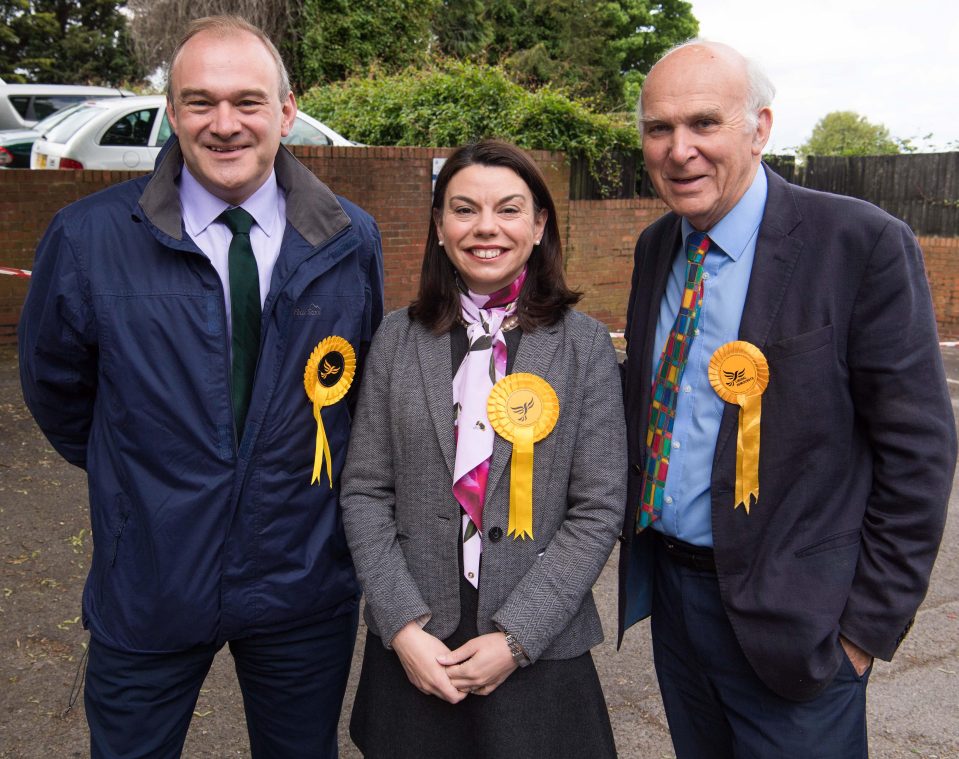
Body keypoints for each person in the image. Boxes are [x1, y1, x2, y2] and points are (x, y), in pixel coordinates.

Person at [18, 15, 383, 758]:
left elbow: (358, 389)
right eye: (199, 101)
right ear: (171, 112)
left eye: (247, 101)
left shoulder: (350, 237)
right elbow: (58, 391)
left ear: (285, 111)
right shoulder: (87, 238)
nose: (225, 125)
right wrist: (145, 481)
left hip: (301, 582)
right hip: (149, 578)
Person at [617, 39, 957, 758]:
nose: (679, 150)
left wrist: (861, 632)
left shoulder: (858, 244)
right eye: (658, 128)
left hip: (800, 622)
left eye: (704, 123)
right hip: (677, 603)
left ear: (759, 127)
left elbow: (918, 452)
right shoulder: (657, 248)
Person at [340, 140, 625, 758]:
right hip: (419, 645)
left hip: (539, 647)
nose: (486, 228)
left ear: (539, 223)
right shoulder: (395, 339)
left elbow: (598, 508)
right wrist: (402, 627)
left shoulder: (585, 347)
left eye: (509, 209)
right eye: (464, 209)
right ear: (440, 228)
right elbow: (365, 490)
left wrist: (517, 637)